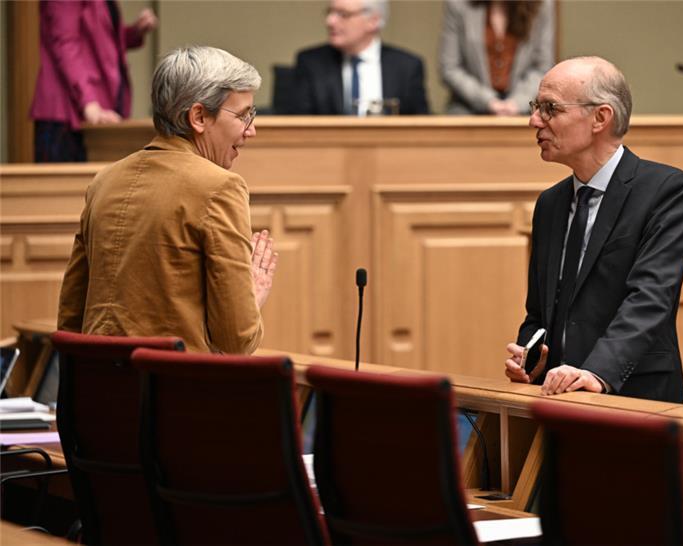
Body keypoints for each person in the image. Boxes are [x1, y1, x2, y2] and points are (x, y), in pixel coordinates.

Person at [57, 46, 277, 355]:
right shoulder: (220, 188)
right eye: (243, 116)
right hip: (176, 393)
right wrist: (252, 297)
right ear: (199, 116)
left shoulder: (103, 182)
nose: (251, 131)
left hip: (97, 391)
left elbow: (70, 319)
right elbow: (236, 340)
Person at [504, 56, 683, 403]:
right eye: (536, 107)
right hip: (559, 397)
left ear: (600, 118)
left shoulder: (665, 190)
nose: (534, 120)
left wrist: (596, 373)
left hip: (637, 398)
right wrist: (531, 356)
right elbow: (540, 312)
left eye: (550, 108)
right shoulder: (549, 204)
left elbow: (650, 299)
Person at [30, 0, 158, 162]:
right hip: (67, 114)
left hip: (96, 107)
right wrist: (89, 103)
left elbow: (101, 41)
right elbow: (65, 44)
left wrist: (135, 32)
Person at [290, 0, 429, 115]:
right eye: (329, 12)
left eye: (343, 14)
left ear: (373, 21)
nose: (330, 21)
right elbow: (298, 125)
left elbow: (421, 127)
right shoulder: (311, 63)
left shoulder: (407, 66)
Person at [439, 0, 555, 116]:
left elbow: (542, 68)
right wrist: (488, 101)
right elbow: (450, 68)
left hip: (524, 108)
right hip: (469, 108)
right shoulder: (458, 4)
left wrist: (517, 103)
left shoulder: (541, 4)